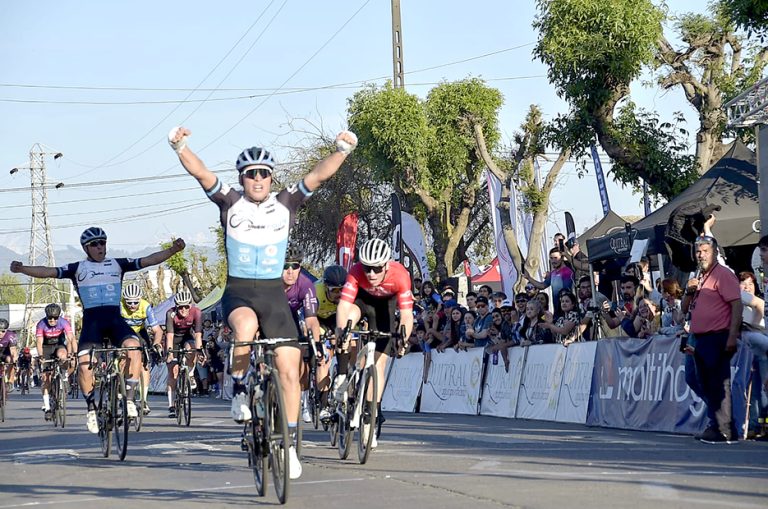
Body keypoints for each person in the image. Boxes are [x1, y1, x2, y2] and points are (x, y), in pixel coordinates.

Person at [169, 125, 355, 479]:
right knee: (246, 327)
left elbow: (317, 174)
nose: (257, 179)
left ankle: (286, 444)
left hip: (272, 294)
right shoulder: (230, 200)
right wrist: (180, 146)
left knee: (289, 363)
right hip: (239, 290)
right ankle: (239, 388)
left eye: (263, 174)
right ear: (242, 177)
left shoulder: (286, 203)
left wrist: (342, 151)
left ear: (271, 178)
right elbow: (201, 171)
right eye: (251, 174)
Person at [10, 227, 185, 433]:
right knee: (84, 366)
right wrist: (22, 269)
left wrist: (173, 250)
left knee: (134, 347)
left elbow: (148, 260)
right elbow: (47, 271)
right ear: (86, 248)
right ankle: (92, 409)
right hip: (92, 325)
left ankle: (129, 400)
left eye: (103, 242)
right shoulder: (78, 268)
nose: (100, 247)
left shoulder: (117, 264)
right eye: (95, 244)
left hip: (115, 321)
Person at [335, 238, 415, 449]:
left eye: (376, 269)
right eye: (367, 268)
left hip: (384, 308)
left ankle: (370, 414)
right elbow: (343, 306)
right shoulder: (356, 271)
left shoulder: (400, 275)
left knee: (379, 365)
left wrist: (403, 340)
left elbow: (406, 315)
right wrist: (343, 332)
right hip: (362, 302)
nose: (371, 274)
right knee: (348, 319)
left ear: (386, 265)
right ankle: (344, 374)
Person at [681, 234, 742, 443]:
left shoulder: (723, 275)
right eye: (698, 251)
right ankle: (717, 422)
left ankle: (724, 429)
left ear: (715, 252)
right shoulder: (698, 276)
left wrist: (732, 336)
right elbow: (683, 309)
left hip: (717, 335)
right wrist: (689, 292)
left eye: (705, 251)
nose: (701, 255)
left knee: (717, 382)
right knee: (700, 380)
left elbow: (736, 305)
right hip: (698, 337)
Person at [281, 246, 322, 424]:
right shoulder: (270, 283)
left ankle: (303, 402)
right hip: (268, 318)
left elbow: (311, 319)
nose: (290, 271)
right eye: (285, 266)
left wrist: (317, 344)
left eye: (295, 266)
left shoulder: (305, 284)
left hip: (291, 322)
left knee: (300, 363)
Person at [120, 282, 164, 414]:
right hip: (123, 332)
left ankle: (143, 400)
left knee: (144, 364)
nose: (132, 306)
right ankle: (120, 388)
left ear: (140, 300)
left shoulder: (145, 306)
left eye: (135, 302)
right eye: (129, 303)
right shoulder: (119, 306)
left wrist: (156, 344)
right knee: (123, 359)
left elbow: (157, 330)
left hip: (139, 332)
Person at [314, 265, 347, 420]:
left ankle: (344, 379)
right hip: (318, 320)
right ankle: (323, 403)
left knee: (348, 344)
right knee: (322, 359)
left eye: (342, 290)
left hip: (337, 319)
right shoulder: (315, 291)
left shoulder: (346, 295)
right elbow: (309, 319)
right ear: (326, 287)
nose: (339, 294)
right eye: (334, 290)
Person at [165, 288, 203, 418]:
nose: (183, 310)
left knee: (192, 348)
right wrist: (170, 353)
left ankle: (190, 374)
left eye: (186, 306)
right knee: (173, 371)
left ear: (190, 305)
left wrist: (200, 350)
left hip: (186, 337)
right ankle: (171, 405)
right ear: (176, 307)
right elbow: (169, 336)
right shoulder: (170, 314)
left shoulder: (196, 312)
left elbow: (198, 334)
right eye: (180, 307)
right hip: (173, 339)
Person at [35, 304, 76, 419]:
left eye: (55, 318)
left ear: (59, 317)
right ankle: (47, 407)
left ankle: (64, 376)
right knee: (46, 379)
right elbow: (39, 342)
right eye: (50, 318)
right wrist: (41, 356)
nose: (52, 320)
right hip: (46, 348)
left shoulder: (64, 322)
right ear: (46, 317)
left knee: (63, 356)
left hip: (59, 345)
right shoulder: (41, 324)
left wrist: (72, 353)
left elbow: (70, 339)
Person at [524, 248, 574, 313]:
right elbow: (542, 286)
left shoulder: (567, 272)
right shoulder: (553, 273)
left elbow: (567, 292)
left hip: (567, 310)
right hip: (556, 310)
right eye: (551, 258)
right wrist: (528, 277)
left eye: (556, 258)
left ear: (562, 258)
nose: (553, 261)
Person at [0, 319, 18, 389]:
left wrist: (15, 361)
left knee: (11, 360)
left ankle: (10, 381)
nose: (0, 333)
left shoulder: (11, 335)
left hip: (6, 352)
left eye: (3, 331)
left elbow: (13, 351)